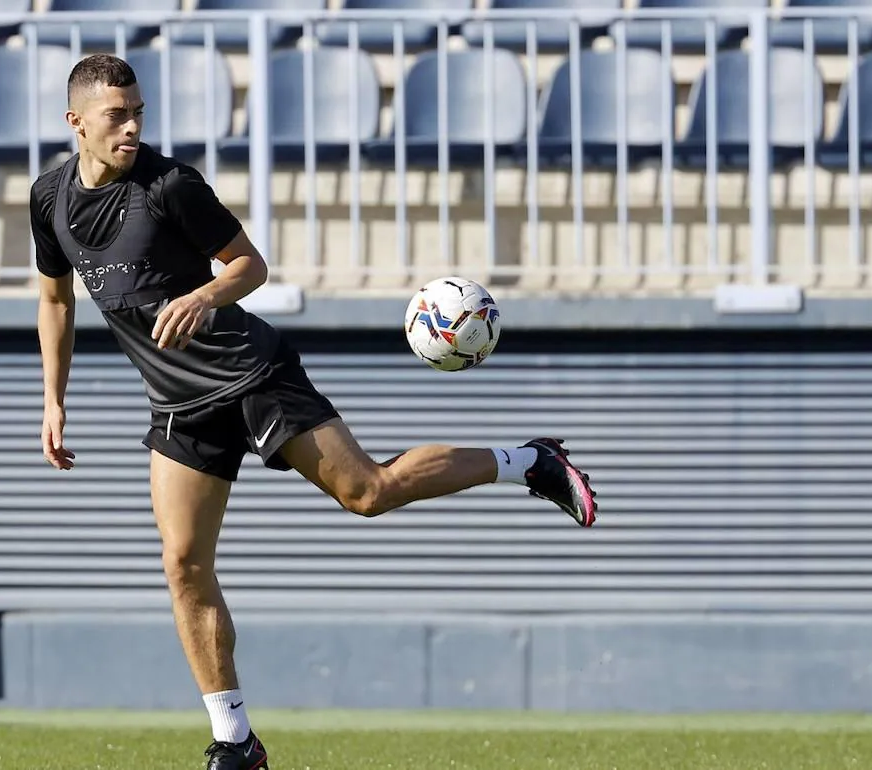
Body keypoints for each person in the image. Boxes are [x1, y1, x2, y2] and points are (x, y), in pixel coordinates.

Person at [31, 53, 599, 770]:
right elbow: (55, 298)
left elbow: (249, 266)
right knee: (183, 565)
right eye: (117, 116)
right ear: (76, 122)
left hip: (252, 375)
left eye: (139, 110)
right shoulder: (49, 198)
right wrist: (54, 400)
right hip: (179, 404)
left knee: (368, 493)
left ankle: (529, 461)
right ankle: (234, 742)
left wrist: (204, 296)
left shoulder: (171, 185)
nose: (133, 126)